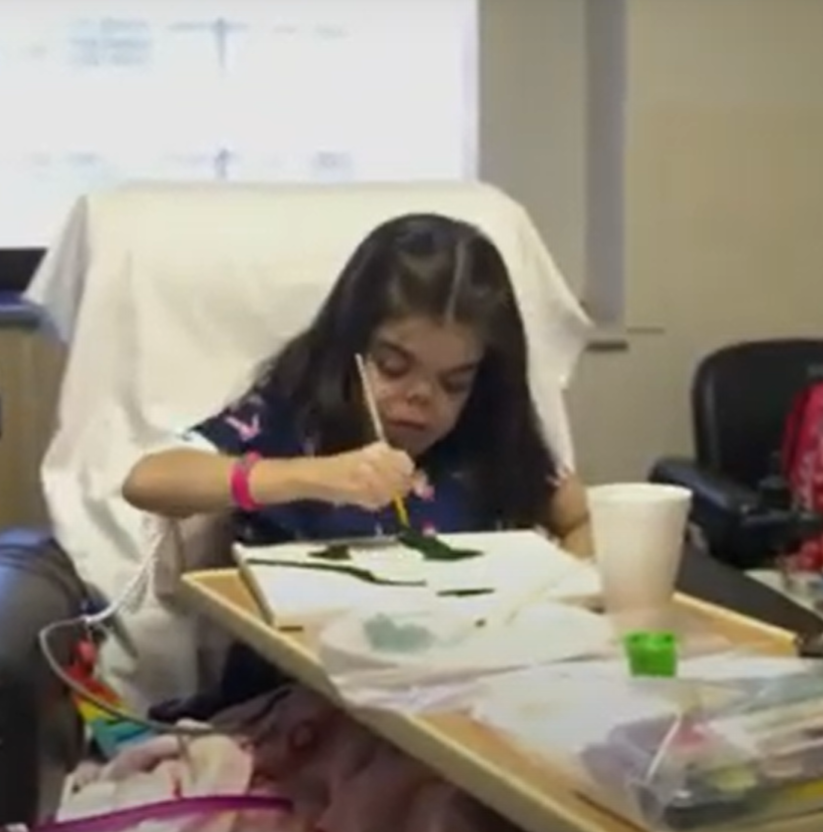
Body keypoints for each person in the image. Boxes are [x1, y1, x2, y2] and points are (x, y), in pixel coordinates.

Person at [119, 212, 591, 832]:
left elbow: (582, 514)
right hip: (309, 713)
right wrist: (313, 476)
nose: (422, 398)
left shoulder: (486, 443)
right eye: (395, 367)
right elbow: (150, 480)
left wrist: (571, 589)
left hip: (463, 714)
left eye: (454, 382)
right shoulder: (294, 418)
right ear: (352, 347)